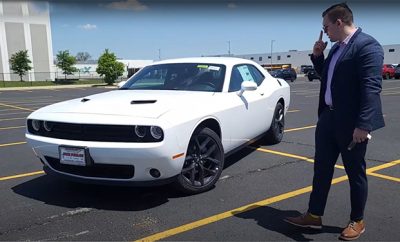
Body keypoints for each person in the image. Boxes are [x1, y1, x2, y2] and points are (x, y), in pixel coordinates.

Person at [284, 2, 385, 241]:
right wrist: (318, 57)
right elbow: (327, 79)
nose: (324, 31)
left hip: (352, 124)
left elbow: (372, 87)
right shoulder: (337, 48)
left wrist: (364, 124)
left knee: (355, 173)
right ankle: (314, 215)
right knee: (321, 170)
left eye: (326, 26)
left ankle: (357, 220)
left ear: (339, 22)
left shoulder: (367, 46)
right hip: (328, 118)